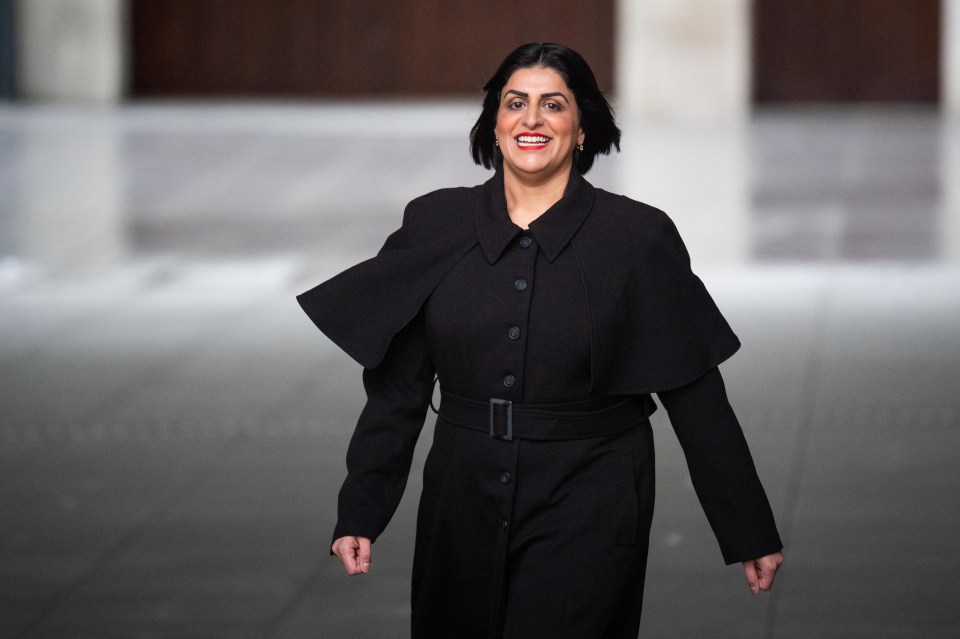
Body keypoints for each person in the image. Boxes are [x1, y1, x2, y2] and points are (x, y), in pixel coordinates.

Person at [298, 42, 783, 639]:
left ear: (581, 129)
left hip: (593, 492)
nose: (531, 119)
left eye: (552, 105)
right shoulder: (435, 224)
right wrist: (362, 511)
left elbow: (697, 397)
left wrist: (748, 528)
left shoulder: (637, 238)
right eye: (514, 104)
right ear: (494, 126)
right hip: (461, 493)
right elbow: (398, 392)